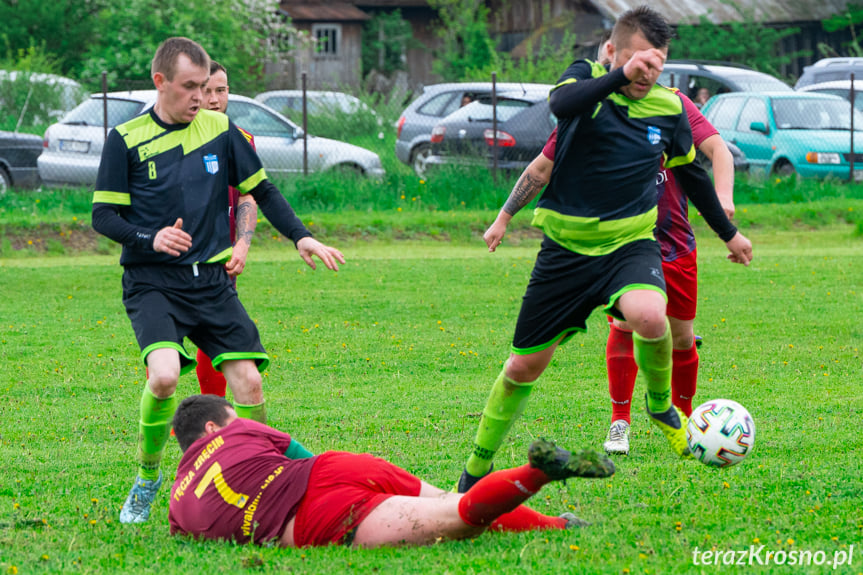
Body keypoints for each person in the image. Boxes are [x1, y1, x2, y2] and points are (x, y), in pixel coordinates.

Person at [456, 6, 753, 492]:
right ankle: (476, 466)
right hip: (566, 253)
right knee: (523, 366)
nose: (646, 73)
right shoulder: (584, 81)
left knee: (651, 316)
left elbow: (694, 177)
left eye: (656, 65)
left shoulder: (670, 107)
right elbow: (561, 109)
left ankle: (661, 408)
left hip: (629, 245)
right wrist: (504, 217)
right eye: (638, 61)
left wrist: (729, 233)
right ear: (612, 51)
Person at [91, 37, 344, 524]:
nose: (198, 97)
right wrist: (150, 237)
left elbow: (261, 191)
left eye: (204, 87)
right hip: (152, 282)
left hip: (211, 282)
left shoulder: (221, 130)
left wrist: (301, 237)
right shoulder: (125, 138)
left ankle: (264, 478)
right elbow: (103, 216)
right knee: (164, 376)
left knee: (248, 381)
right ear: (160, 82)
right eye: (189, 87)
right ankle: (147, 478)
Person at [484, 58, 737, 458]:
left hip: (674, 241)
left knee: (682, 336)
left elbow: (716, 153)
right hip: (624, 241)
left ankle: (687, 424)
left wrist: (724, 203)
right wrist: (504, 216)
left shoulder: (674, 106)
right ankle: (620, 422)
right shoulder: (594, 108)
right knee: (623, 325)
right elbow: (543, 166)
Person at [168, 395, 615, 547]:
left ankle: (537, 473)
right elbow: (300, 452)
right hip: (332, 467)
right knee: (448, 501)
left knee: (457, 520)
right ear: (212, 425)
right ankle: (559, 524)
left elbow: (197, 533)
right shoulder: (238, 429)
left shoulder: (177, 504)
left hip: (313, 515)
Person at [194, 60, 257, 398]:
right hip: (174, 259)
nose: (215, 98)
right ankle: (162, 418)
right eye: (207, 90)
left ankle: (213, 412)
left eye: (222, 90)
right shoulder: (170, 138)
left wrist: (242, 245)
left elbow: (249, 195)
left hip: (219, 259)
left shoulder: (242, 139)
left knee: (215, 339)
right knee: (166, 346)